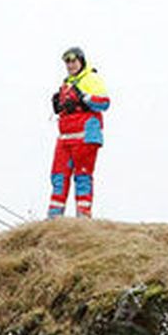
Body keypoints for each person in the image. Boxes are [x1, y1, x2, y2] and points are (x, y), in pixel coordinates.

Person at [47, 46, 110, 218]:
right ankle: (54, 217)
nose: (70, 65)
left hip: (85, 135)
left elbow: (104, 103)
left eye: (74, 61)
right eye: (67, 62)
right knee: (58, 176)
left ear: (81, 61)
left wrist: (82, 98)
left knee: (82, 176)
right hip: (65, 137)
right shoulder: (67, 82)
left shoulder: (91, 78)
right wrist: (60, 106)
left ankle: (83, 216)